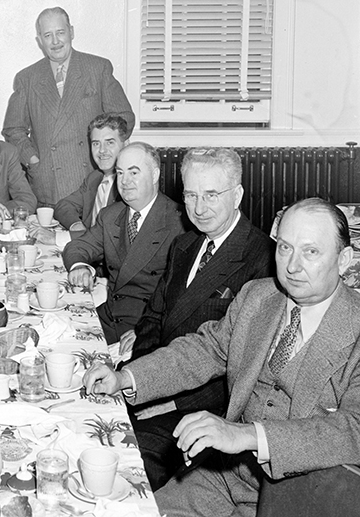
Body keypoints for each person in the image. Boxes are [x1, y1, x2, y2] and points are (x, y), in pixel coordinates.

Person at [84, 198, 360, 517]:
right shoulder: (258, 297)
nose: (293, 266)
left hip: (302, 499)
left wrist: (247, 434)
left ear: (343, 260)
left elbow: (353, 428)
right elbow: (204, 350)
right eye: (284, 248)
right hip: (224, 476)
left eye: (310, 252)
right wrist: (126, 377)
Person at [123, 147, 275, 490]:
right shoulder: (184, 245)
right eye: (190, 195)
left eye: (211, 195)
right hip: (157, 381)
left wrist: (170, 402)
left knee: (127, 463)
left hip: (204, 411)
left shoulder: (263, 260)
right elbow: (154, 319)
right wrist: (137, 378)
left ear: (237, 195)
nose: (199, 208)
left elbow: (244, 370)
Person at [2, 6, 135, 207]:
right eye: (48, 35)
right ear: (39, 40)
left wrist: (105, 152)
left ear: (71, 32)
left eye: (60, 32)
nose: (55, 42)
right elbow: (13, 130)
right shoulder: (27, 78)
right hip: (48, 183)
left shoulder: (98, 69)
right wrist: (33, 160)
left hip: (92, 177)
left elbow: (124, 117)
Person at [62, 142, 184, 344]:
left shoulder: (179, 222)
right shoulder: (111, 215)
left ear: (154, 175)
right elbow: (78, 247)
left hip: (146, 330)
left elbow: (183, 298)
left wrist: (150, 329)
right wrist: (81, 266)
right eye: (120, 173)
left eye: (134, 173)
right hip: (109, 318)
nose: (125, 181)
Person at [32, 113, 129, 246]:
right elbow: (63, 206)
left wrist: (58, 238)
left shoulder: (128, 184)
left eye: (110, 143)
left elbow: (109, 235)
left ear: (125, 144)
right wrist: (76, 224)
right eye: (96, 144)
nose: (102, 150)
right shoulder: (95, 178)